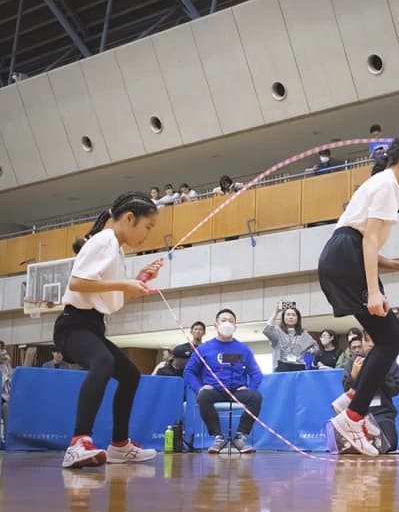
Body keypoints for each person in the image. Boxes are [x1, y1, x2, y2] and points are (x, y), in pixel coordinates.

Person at [318, 130, 399, 456]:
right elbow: (366, 241)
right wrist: (372, 291)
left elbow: (358, 241)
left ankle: (352, 398)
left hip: (342, 256)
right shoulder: (387, 185)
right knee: (392, 338)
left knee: (389, 337)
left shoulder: (385, 185)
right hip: (346, 258)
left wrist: (394, 265)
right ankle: (353, 416)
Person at [54, 191, 163, 468]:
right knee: (102, 362)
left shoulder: (115, 249)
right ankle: (78, 443)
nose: (147, 234)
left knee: (128, 374)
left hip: (92, 326)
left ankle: (119, 445)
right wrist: (125, 284)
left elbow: (108, 301)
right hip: (73, 325)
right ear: (129, 218)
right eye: (147, 227)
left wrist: (136, 281)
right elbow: (77, 283)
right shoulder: (104, 241)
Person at [184, 309, 263, 454]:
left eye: (231, 321)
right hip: (214, 391)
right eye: (223, 320)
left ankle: (240, 437)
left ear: (235, 326)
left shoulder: (243, 349)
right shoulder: (204, 348)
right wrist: (199, 388)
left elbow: (256, 374)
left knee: (256, 397)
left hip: (236, 391)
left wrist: (249, 387)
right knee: (203, 396)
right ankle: (218, 437)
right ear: (216, 325)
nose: (227, 323)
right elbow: (189, 372)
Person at [341, 331, 399, 453]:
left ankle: (366, 445)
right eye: (367, 340)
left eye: (374, 341)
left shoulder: (389, 361)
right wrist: (353, 376)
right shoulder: (353, 363)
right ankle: (364, 444)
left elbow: (395, 388)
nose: (370, 344)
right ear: (362, 342)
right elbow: (347, 390)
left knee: (390, 444)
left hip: (382, 414)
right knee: (346, 447)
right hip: (358, 416)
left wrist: (379, 374)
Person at [263, 303, 317, 372]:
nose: (291, 317)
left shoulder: (303, 333)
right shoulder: (278, 331)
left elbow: (315, 347)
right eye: (288, 315)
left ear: (298, 318)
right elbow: (267, 330)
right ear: (283, 318)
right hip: (281, 365)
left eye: (293, 315)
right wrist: (276, 313)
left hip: (299, 365)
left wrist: (310, 351)